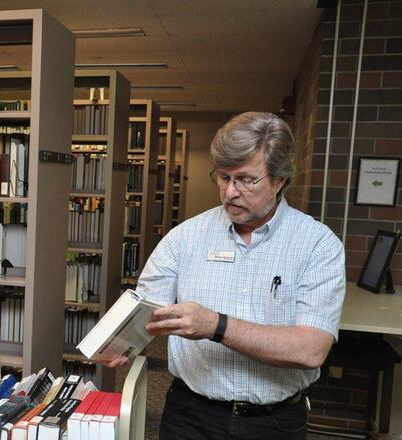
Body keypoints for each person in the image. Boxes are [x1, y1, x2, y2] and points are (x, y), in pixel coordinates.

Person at [109, 112, 345, 439]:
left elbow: (311, 350)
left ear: (279, 180)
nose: (230, 192)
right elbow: (146, 309)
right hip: (189, 416)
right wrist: (120, 340)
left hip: (273, 423)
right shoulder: (184, 237)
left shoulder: (317, 245)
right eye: (223, 177)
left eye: (246, 179)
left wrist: (215, 325)